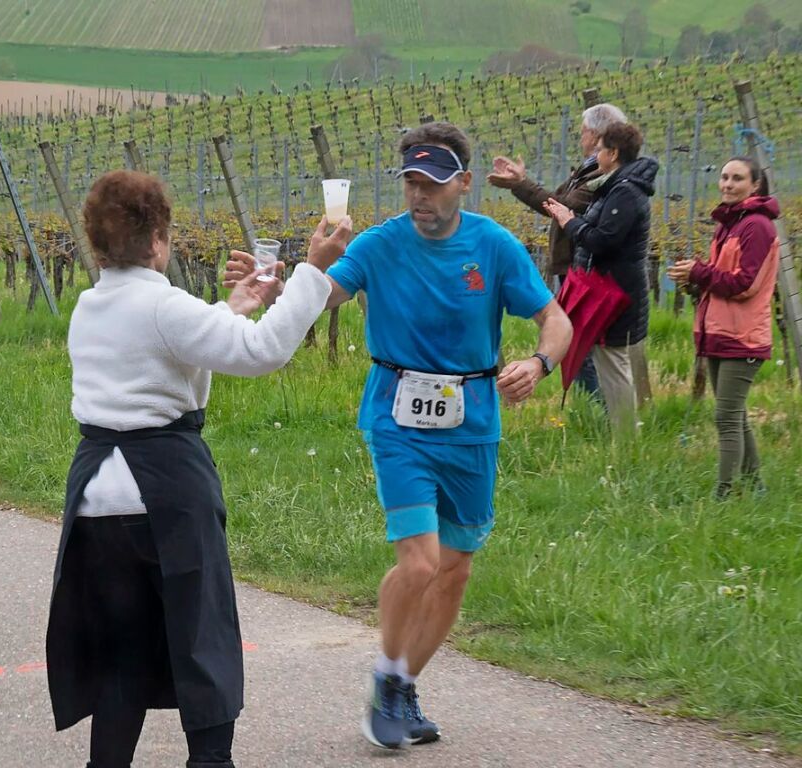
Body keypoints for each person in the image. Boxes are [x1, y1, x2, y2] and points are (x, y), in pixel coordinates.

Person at [224, 122, 572, 750]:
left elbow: (555, 318)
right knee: (419, 560)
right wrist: (280, 283)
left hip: (471, 422)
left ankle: (406, 682)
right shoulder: (381, 244)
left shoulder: (492, 246)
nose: (419, 196)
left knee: (456, 569)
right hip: (396, 417)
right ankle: (387, 677)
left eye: (433, 184)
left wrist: (539, 363)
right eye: (411, 182)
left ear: (463, 184)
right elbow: (327, 295)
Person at [46, 169, 352, 768]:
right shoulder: (163, 304)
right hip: (165, 487)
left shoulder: (90, 304)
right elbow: (260, 353)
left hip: (96, 496)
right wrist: (314, 271)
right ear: (157, 236)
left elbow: (174, 349)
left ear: (97, 241)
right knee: (201, 636)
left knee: (121, 653)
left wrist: (235, 306)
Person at [488, 103, 628, 400]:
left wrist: (520, 184)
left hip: (586, 271)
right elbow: (557, 201)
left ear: (596, 134)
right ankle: (596, 409)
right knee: (578, 343)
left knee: (576, 342)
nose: (580, 138)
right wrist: (521, 184)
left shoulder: (604, 177)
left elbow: (560, 205)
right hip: (576, 268)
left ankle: (599, 409)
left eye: (583, 132)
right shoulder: (590, 169)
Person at [667, 156, 779, 499]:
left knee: (726, 418)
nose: (728, 184)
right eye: (724, 177)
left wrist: (701, 273)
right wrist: (696, 283)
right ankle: (754, 486)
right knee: (736, 415)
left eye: (737, 179)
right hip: (719, 331)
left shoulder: (757, 226)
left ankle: (725, 493)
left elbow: (745, 283)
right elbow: (722, 279)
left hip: (742, 336)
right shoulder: (729, 224)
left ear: (755, 185)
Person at [543, 123, 657, 427]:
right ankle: (620, 433)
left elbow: (602, 240)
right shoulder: (617, 187)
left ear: (614, 153)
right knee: (609, 361)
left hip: (615, 294)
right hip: (612, 291)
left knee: (615, 364)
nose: (596, 154)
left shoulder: (625, 193)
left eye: (601, 149)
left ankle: (625, 443)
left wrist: (570, 222)